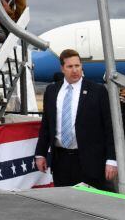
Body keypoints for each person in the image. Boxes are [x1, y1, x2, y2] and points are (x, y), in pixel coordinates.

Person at [34, 48, 118, 190]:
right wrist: (40, 153)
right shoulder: (52, 91)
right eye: (70, 66)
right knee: (66, 204)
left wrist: (111, 159)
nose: (74, 70)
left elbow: (109, 127)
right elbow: (46, 126)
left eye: (77, 66)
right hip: (61, 161)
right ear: (62, 68)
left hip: (90, 161)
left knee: (93, 205)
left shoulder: (97, 91)